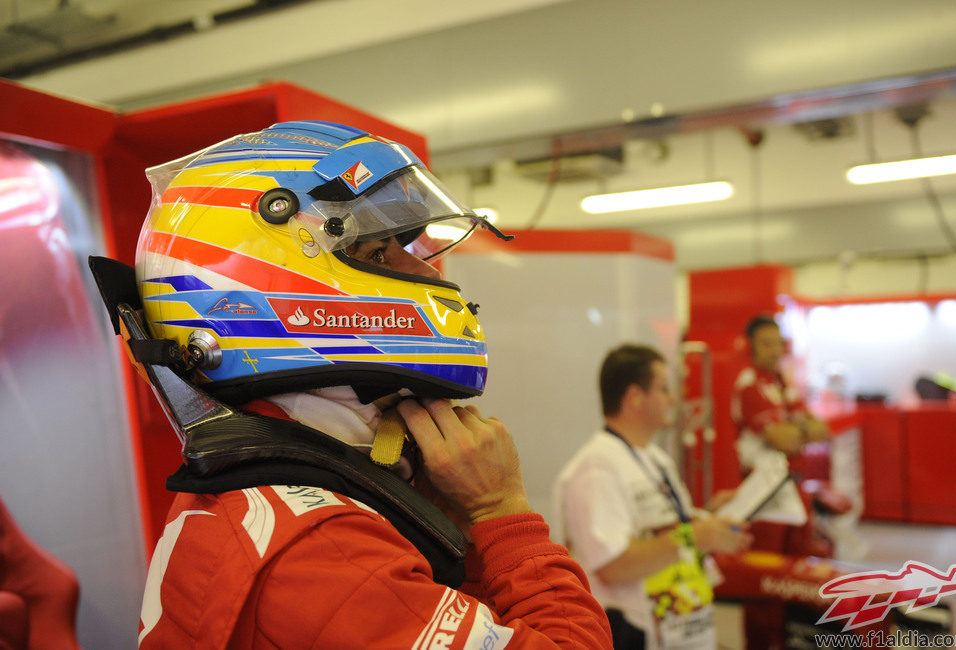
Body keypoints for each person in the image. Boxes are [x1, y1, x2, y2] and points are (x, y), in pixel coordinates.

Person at [92, 121, 612, 648]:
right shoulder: (320, 550)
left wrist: (452, 520)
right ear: (273, 287)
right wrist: (502, 513)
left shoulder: (288, 498)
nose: (429, 275)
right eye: (379, 254)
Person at [554, 344, 752, 650]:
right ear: (634, 396)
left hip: (681, 628)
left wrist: (709, 517)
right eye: (663, 388)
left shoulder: (654, 457)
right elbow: (613, 564)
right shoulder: (596, 467)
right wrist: (695, 537)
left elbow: (662, 527)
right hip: (636, 634)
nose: (673, 398)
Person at [730, 315, 830, 470]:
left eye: (778, 343)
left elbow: (822, 430)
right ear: (750, 347)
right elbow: (783, 441)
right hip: (762, 478)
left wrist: (796, 433)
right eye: (767, 344)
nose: (775, 351)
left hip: (788, 475)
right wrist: (805, 432)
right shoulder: (749, 385)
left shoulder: (781, 381)